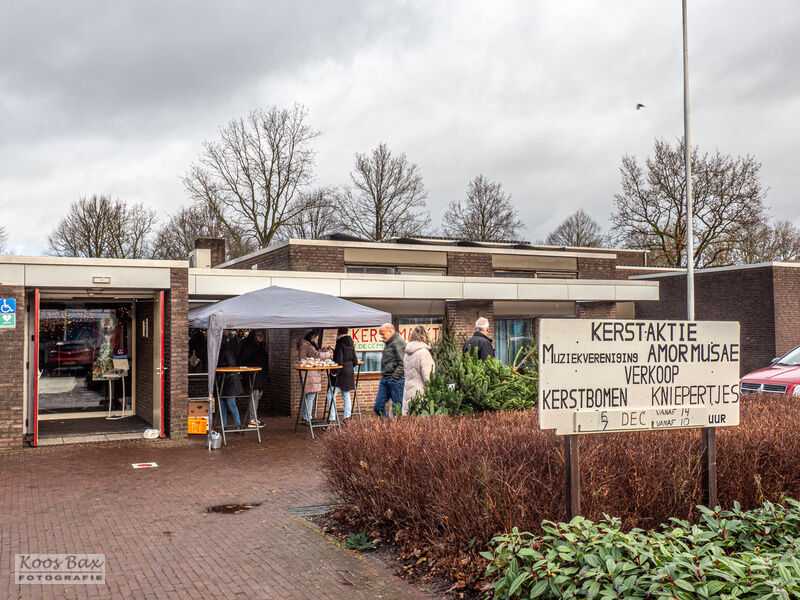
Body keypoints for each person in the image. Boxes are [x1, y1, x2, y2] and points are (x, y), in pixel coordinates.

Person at [297, 330, 332, 422]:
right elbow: (316, 355)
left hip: (308, 374)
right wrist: (328, 354)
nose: (317, 341)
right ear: (312, 339)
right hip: (311, 374)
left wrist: (324, 349)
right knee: (311, 396)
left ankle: (305, 416)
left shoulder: (304, 345)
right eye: (316, 339)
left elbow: (314, 352)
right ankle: (308, 417)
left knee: (307, 395)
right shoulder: (308, 347)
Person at [373, 323, 405, 418]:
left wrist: (394, 378)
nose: (381, 337)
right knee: (378, 407)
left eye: (383, 334)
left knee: (397, 411)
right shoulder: (389, 343)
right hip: (385, 379)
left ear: (390, 331)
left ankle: (397, 430)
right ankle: (388, 428)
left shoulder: (399, 342)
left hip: (396, 381)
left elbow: (403, 362)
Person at [237, 330, 268, 428]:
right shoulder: (249, 346)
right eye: (258, 335)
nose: (261, 337)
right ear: (254, 336)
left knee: (257, 396)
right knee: (254, 396)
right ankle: (252, 419)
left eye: (262, 335)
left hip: (261, 375)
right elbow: (243, 359)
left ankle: (253, 418)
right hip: (252, 375)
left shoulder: (260, 346)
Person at [402, 325, 435, 416]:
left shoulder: (407, 353)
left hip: (407, 392)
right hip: (420, 394)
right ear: (426, 336)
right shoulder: (423, 353)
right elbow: (428, 379)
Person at [327, 327, 358, 422]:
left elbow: (339, 361)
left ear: (338, 333)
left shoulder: (340, 343)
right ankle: (347, 418)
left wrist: (333, 370)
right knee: (346, 395)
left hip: (340, 374)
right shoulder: (350, 343)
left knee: (330, 395)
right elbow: (355, 361)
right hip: (349, 372)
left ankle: (332, 419)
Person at [217, 333, 242, 429]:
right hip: (225, 380)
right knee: (224, 404)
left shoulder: (226, 353)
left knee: (230, 404)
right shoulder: (226, 353)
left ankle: (236, 424)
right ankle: (231, 425)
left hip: (228, 381)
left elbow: (230, 366)